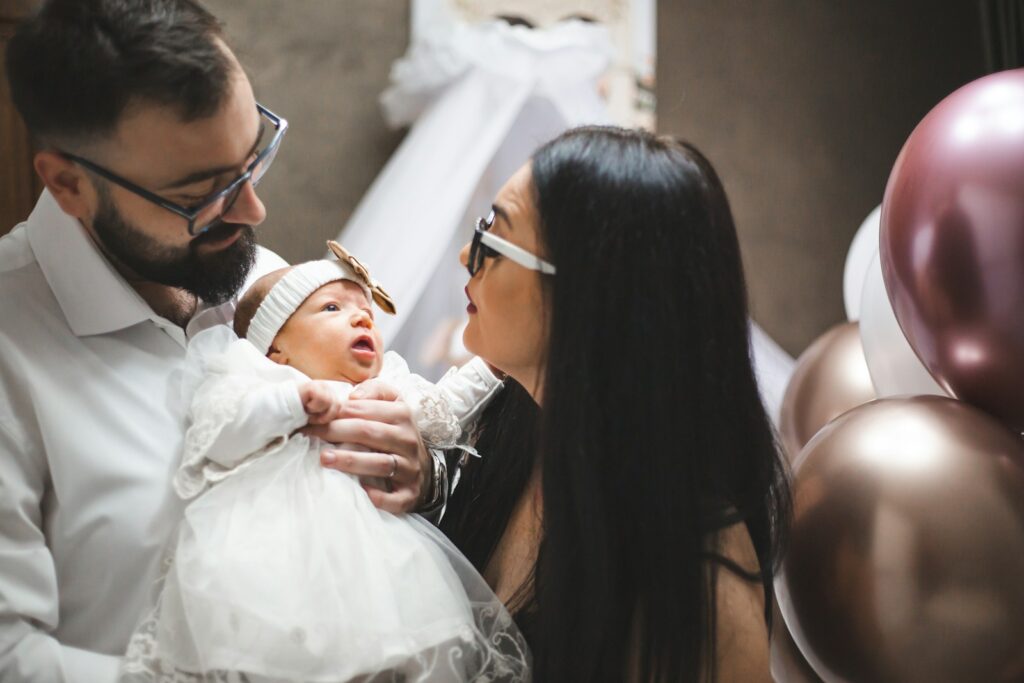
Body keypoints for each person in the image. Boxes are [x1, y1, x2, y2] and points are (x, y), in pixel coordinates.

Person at [0, 2, 436, 680]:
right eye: (201, 195)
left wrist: (418, 467)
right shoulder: (10, 347)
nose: (254, 211)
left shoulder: (265, 286)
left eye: (253, 156)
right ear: (68, 183)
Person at [438, 127, 792, 681]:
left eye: (493, 237)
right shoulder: (513, 422)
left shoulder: (697, 591)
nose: (466, 256)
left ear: (587, 293)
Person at [119, 246, 526, 682]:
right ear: (276, 349)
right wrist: (289, 404)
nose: (361, 318)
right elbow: (220, 428)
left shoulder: (382, 388)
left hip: (375, 555)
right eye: (332, 308)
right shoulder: (260, 379)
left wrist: (489, 369)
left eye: (366, 311)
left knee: (396, 643)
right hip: (276, 547)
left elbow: (438, 408)